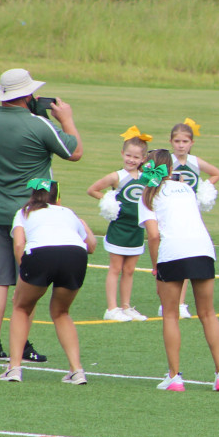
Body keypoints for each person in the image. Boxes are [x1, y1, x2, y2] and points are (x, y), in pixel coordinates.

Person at [0, 68, 83, 363]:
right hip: (30, 212)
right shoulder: (38, 125)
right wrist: (67, 120)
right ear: (26, 96)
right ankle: (21, 345)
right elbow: (74, 152)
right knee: (28, 279)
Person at [138, 150, 219, 392]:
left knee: (170, 314)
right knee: (208, 313)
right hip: (203, 248)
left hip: (172, 251)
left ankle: (175, 376)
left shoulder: (147, 196)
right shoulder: (187, 189)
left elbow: (154, 235)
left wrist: (156, 267)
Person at [0, 179, 96, 383]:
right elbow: (92, 245)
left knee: (21, 307)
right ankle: (77, 371)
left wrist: (24, 273)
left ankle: (14, 368)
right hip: (75, 255)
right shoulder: (68, 212)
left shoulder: (24, 212)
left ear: (33, 195)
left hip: (41, 254)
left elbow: (19, 245)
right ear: (57, 197)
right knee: (61, 313)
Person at [86, 127, 150, 321]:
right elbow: (93, 189)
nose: (131, 160)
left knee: (130, 270)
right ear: (122, 154)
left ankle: (126, 306)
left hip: (137, 230)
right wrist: (109, 201)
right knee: (115, 268)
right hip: (119, 229)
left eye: (136, 157)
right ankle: (111, 308)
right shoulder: (117, 176)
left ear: (143, 159)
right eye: (128, 155)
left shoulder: (147, 177)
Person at [161, 118, 219, 319]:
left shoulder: (195, 162)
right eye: (177, 141)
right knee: (177, 254)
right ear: (171, 142)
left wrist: (203, 190)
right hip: (172, 214)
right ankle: (171, 303)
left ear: (191, 143)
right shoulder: (167, 162)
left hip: (190, 214)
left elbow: (216, 173)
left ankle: (180, 303)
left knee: (187, 255)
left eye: (185, 142)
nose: (181, 145)